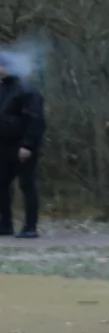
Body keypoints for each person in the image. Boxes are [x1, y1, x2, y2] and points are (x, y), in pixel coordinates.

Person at [0, 56, 43, 240]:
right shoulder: (3, 90)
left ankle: (30, 226)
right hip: (3, 146)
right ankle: (5, 225)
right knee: (1, 185)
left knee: (27, 185)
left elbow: (35, 120)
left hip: (21, 146)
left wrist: (27, 144)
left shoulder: (26, 91)